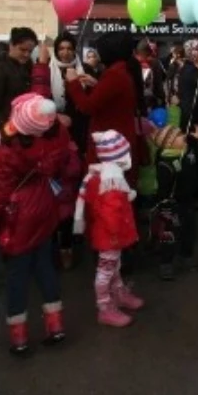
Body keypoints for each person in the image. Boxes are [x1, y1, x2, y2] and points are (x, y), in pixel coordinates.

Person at [0, 94, 73, 355]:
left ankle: (19, 336)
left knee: (17, 276)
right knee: (45, 267)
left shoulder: (7, 151)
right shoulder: (54, 137)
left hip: (19, 216)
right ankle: (56, 325)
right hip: (44, 205)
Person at [75, 130, 144, 328]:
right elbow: (111, 211)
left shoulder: (102, 176)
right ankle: (105, 307)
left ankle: (118, 293)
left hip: (108, 235)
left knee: (113, 265)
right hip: (111, 236)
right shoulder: (111, 181)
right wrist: (116, 232)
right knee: (106, 270)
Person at [66, 32, 146, 191]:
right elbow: (116, 98)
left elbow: (87, 106)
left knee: (106, 191)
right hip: (120, 138)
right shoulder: (122, 71)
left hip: (109, 144)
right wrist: (97, 85)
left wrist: (73, 83)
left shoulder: (114, 74)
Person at [0, 27, 38, 154]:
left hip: (21, 132)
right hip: (2, 134)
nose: (27, 54)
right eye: (22, 49)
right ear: (11, 45)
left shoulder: (27, 66)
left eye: (30, 51)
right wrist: (11, 129)